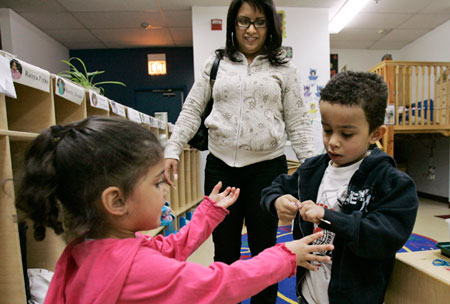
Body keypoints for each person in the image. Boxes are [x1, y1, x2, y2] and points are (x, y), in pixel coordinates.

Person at [15, 116, 333, 304]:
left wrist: (207, 213)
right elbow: (219, 284)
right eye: (156, 183)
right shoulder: (135, 268)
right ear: (116, 201)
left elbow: (167, 250)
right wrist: (286, 256)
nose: (166, 189)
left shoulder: (88, 249)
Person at [164, 1, 314, 302]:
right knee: (225, 250)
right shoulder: (217, 62)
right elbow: (193, 107)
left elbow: (298, 121)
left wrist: (313, 169)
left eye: (259, 22)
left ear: (270, 26)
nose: (250, 30)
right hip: (221, 167)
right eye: (243, 21)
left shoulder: (284, 68)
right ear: (233, 24)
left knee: (265, 251)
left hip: (267, 170)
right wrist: (173, 147)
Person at [260, 71, 419, 304]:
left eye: (346, 134)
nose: (333, 141)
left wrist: (327, 216)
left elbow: (382, 237)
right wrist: (276, 201)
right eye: (327, 130)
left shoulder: (393, 183)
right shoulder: (311, 170)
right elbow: (273, 189)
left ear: (375, 134)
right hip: (308, 295)